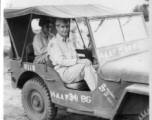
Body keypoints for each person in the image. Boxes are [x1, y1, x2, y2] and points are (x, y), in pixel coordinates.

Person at [48, 18, 97, 91]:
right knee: (86, 66)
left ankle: (99, 89)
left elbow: (75, 57)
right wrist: (78, 61)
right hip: (63, 72)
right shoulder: (54, 43)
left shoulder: (68, 40)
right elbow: (61, 61)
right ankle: (96, 93)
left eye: (67, 27)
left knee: (95, 66)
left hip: (72, 69)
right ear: (57, 27)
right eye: (62, 27)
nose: (65, 29)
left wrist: (83, 60)